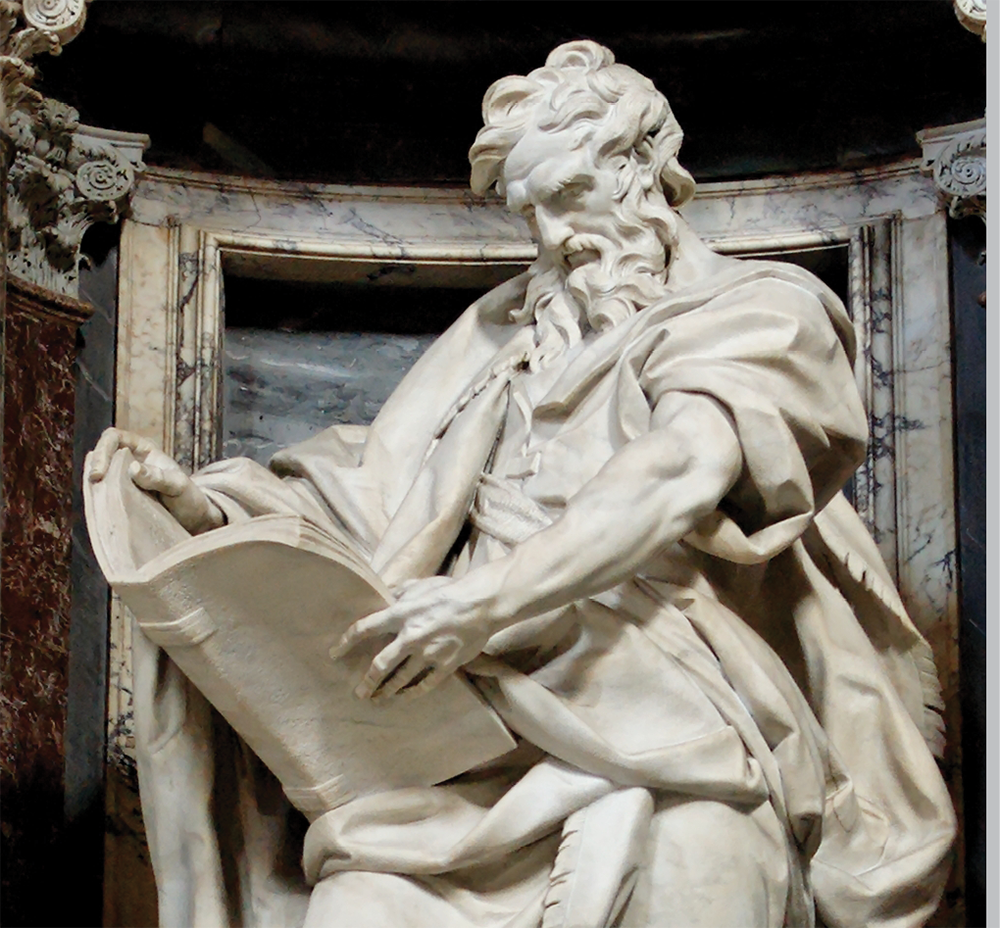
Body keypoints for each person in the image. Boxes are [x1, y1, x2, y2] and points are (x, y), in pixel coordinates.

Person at [90, 41, 954, 928]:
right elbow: (375, 498)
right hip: (466, 744)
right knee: (354, 902)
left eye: (565, 197)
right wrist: (214, 516)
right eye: (527, 212)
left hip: (680, 732)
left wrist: (481, 606)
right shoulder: (501, 339)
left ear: (637, 170)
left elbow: (678, 471)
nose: (549, 239)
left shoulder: (759, 313)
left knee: (704, 872)